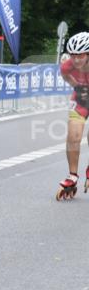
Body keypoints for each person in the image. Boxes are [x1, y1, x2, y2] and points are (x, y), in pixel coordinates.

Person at [56, 31, 89, 200]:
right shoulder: (67, 66)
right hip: (81, 99)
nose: (76, 60)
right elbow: (65, 75)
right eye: (73, 56)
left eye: (80, 56)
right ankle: (73, 175)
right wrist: (76, 86)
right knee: (73, 136)